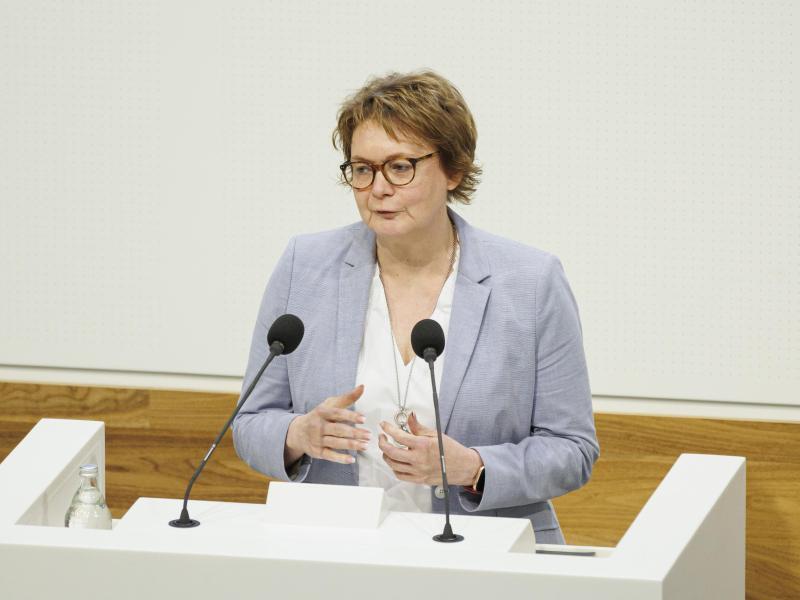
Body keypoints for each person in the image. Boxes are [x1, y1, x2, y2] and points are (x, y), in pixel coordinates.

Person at [232, 71, 599, 544]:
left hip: (488, 558)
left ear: (454, 170)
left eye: (400, 166)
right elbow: (249, 422)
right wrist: (298, 434)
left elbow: (573, 449)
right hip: (334, 552)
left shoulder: (529, 282)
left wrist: (471, 466)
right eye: (362, 169)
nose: (378, 188)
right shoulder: (305, 267)